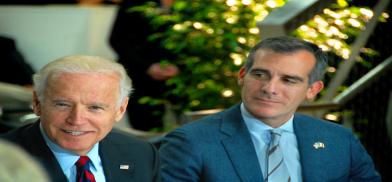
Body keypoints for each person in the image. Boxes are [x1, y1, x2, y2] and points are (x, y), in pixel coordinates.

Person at [159, 36, 381, 181]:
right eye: (259, 74)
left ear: (312, 90)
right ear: (242, 76)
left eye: (288, 80)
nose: (269, 88)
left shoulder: (338, 140)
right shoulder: (190, 142)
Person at [1, 55, 160, 182]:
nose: (77, 120)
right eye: (63, 104)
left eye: (95, 108)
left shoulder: (140, 153)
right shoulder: (5, 159)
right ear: (37, 103)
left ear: (120, 109)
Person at [110, 0, 179, 131]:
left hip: (182, 79)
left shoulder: (192, 6)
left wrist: (179, 66)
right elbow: (117, 39)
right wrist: (147, 66)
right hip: (140, 76)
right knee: (145, 126)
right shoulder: (132, 4)